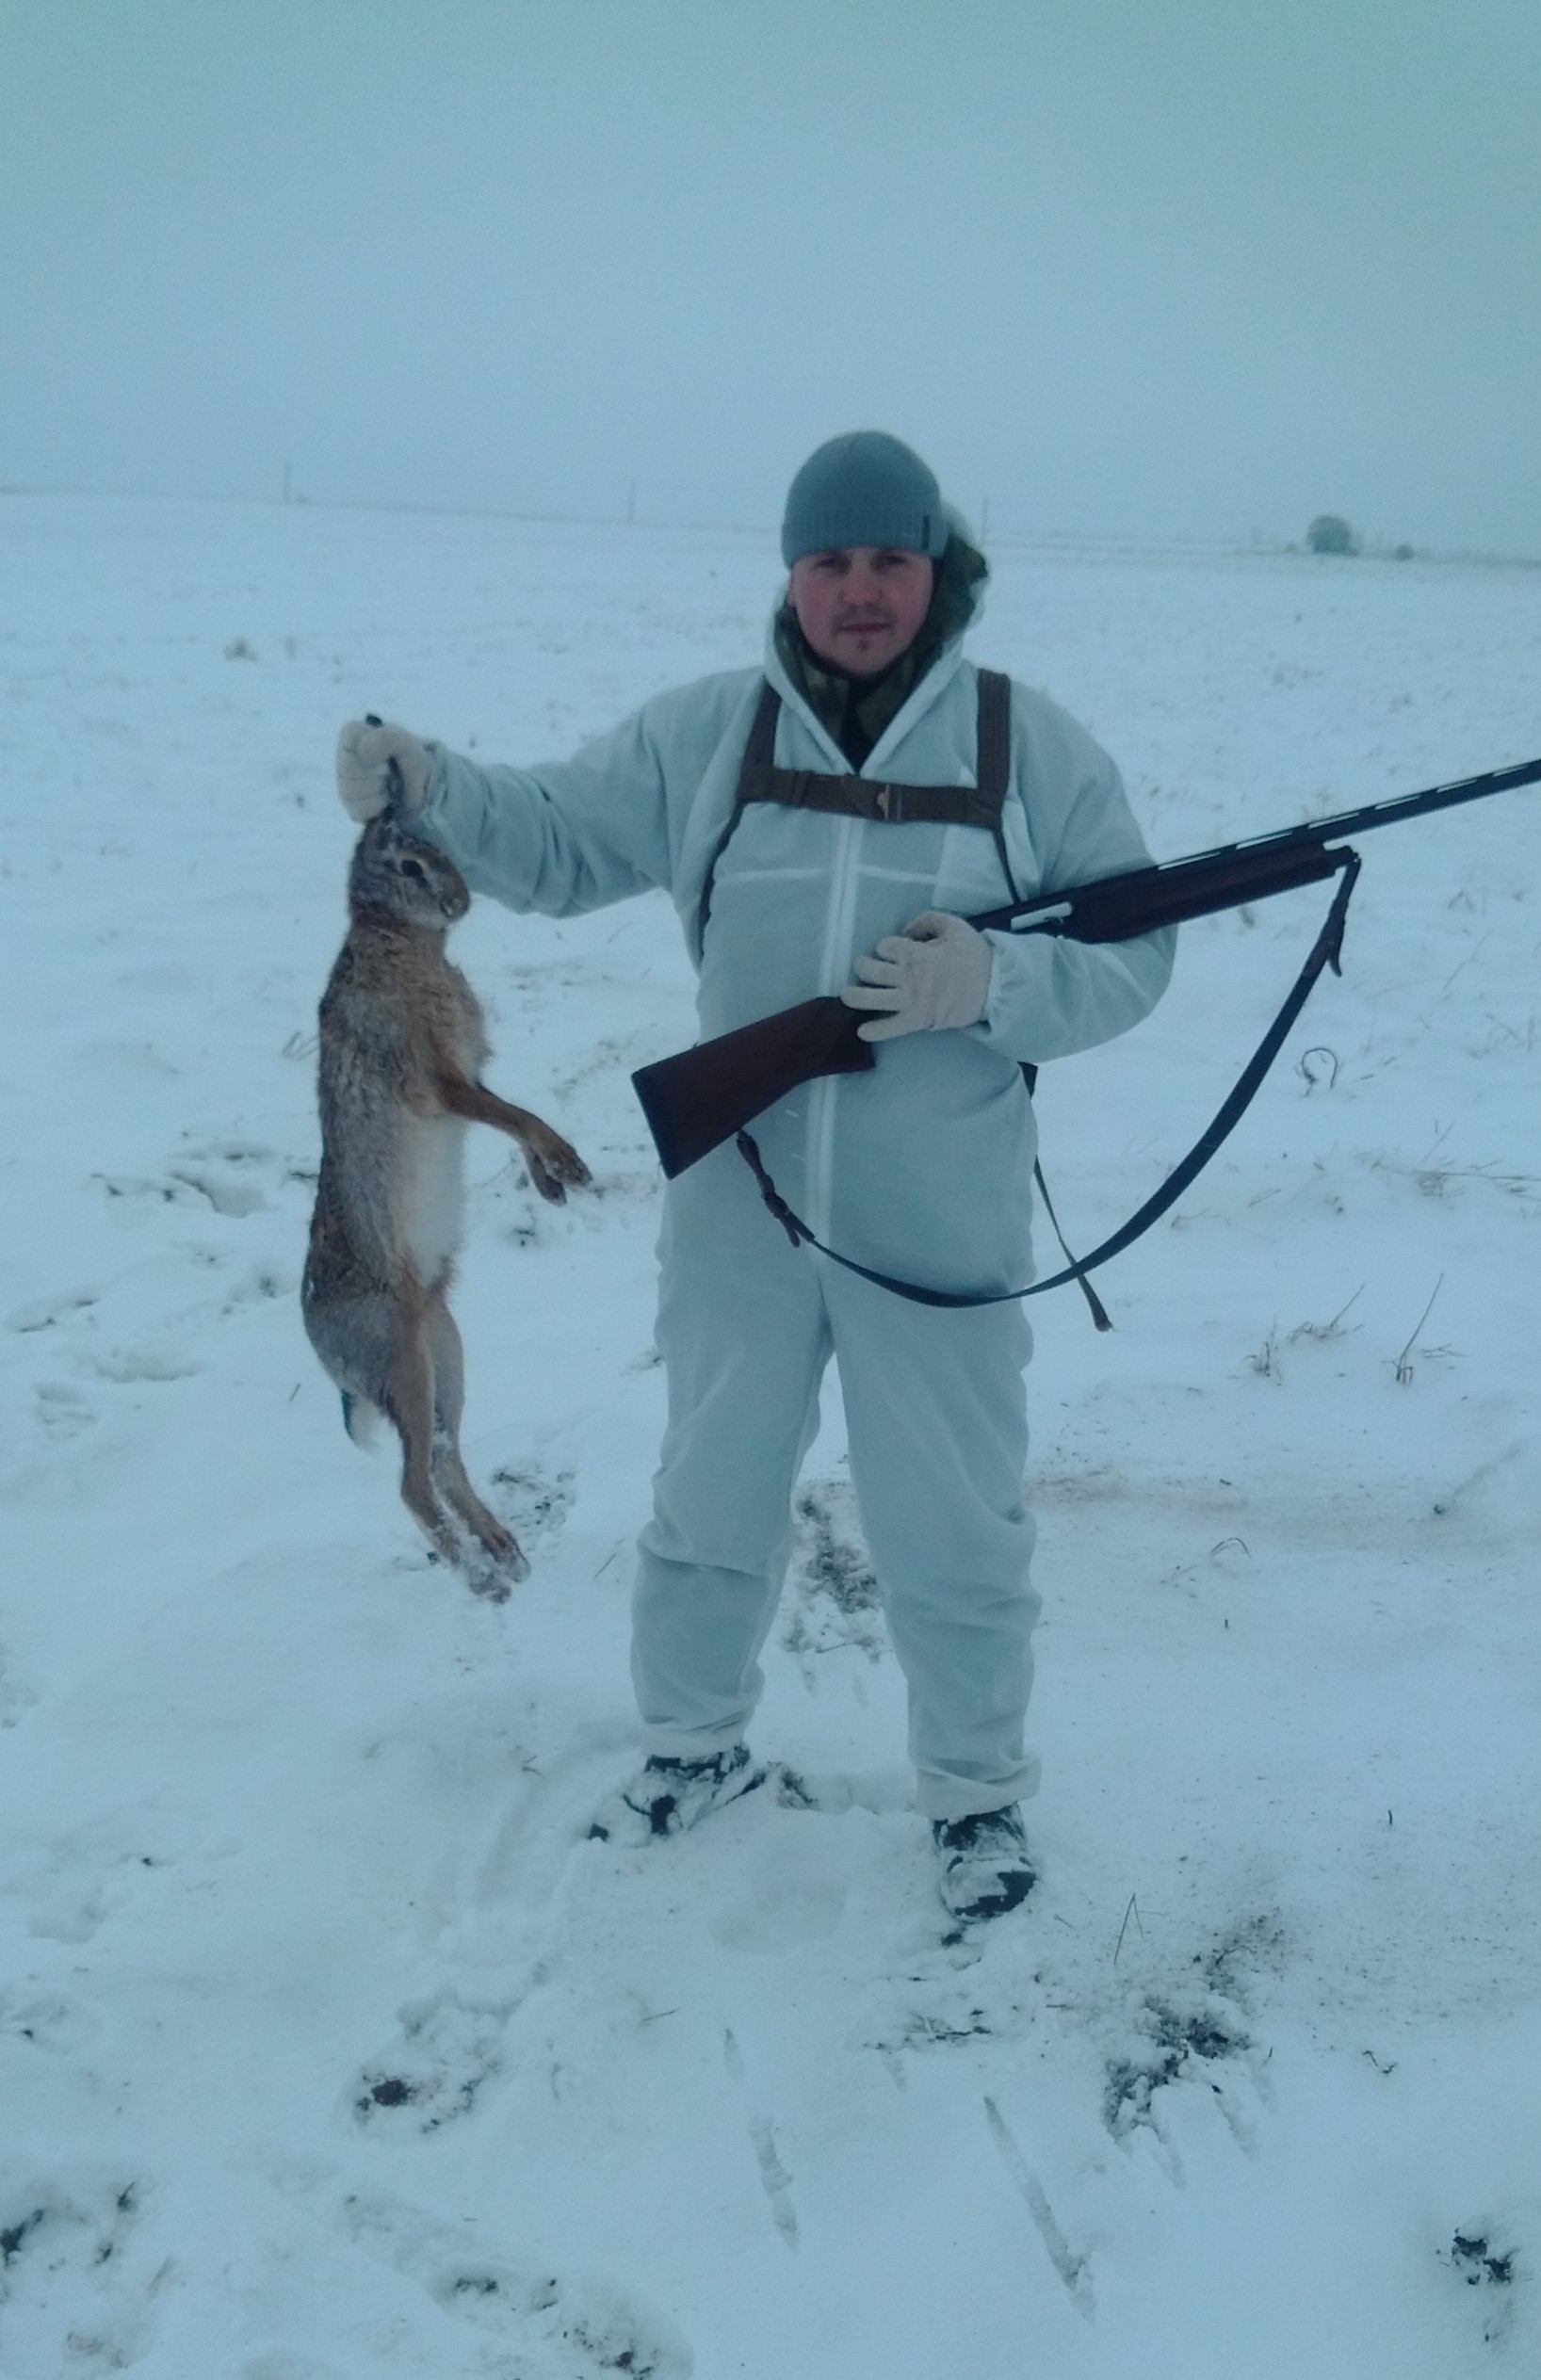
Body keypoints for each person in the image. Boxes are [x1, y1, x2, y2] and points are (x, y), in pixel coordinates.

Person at [336, 431, 1175, 1921]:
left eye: (890, 560)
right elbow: (557, 838)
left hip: (940, 1220)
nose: (860, 591)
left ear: (937, 571)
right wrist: (432, 787)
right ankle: (691, 1750)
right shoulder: (710, 736)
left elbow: (1134, 948)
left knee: (954, 1525)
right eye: (829, 561)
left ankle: (976, 1798)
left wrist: (996, 981)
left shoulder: (1025, 745)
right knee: (709, 1496)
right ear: (792, 575)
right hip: (741, 1204)